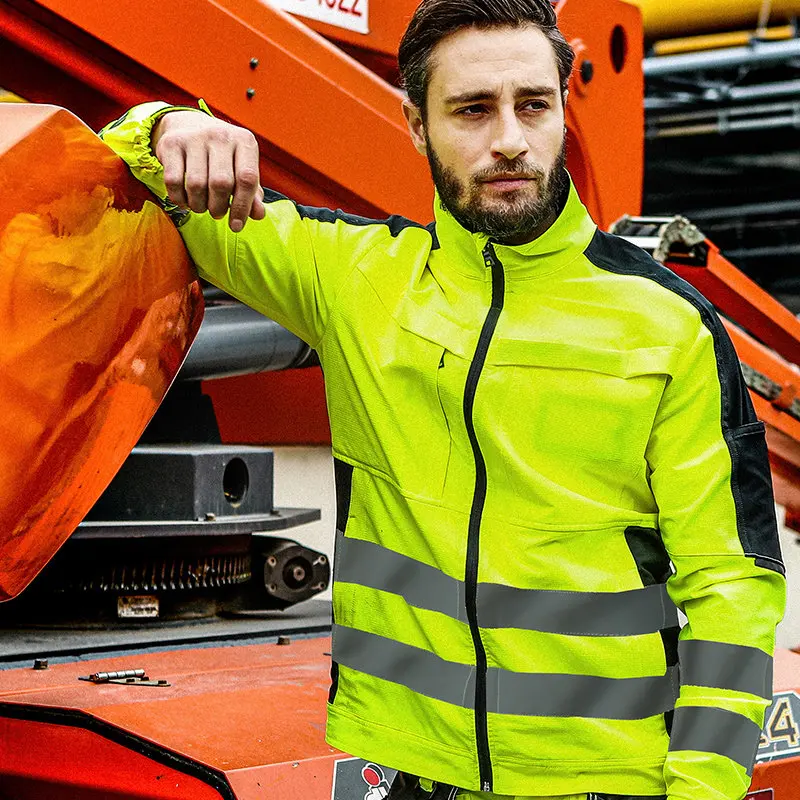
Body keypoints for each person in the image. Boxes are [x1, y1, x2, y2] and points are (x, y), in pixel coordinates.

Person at [99, 1, 786, 799]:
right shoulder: (354, 278)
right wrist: (168, 125)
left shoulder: (670, 326)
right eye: (471, 109)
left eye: (533, 104)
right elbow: (152, 176)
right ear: (417, 126)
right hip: (418, 778)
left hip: (610, 783)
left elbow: (732, 585)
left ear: (563, 109)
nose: (509, 139)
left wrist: (704, 788)